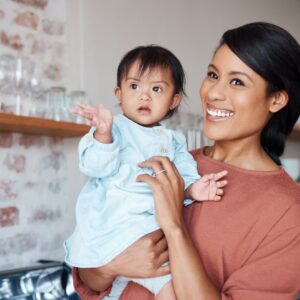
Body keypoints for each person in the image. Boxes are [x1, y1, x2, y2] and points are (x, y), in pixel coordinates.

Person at [72, 22, 300, 300]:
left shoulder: (289, 212)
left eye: (237, 81)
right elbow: (89, 278)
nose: (214, 93)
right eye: (213, 75)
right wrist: (112, 266)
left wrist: (175, 226)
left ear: (276, 99)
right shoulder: (170, 162)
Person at [64, 45, 228, 299]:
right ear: (118, 93)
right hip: (110, 233)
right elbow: (95, 167)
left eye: (156, 89)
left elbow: (182, 176)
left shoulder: (174, 140)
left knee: (171, 290)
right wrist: (103, 134)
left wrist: (195, 188)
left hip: (150, 239)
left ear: (173, 100)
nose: (144, 96)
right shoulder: (114, 127)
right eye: (134, 87)